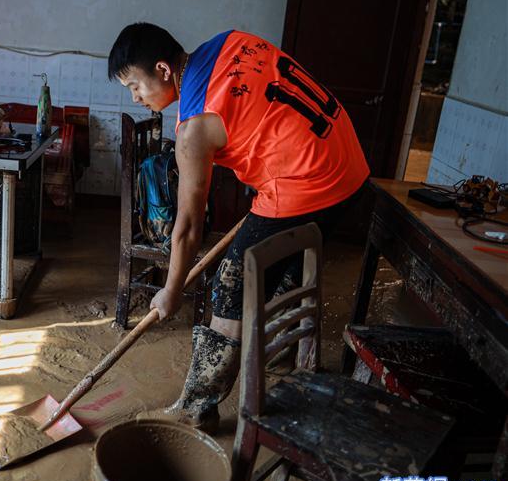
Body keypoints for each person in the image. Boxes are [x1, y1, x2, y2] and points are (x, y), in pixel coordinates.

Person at [108, 23, 369, 432]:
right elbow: (270, 109)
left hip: (306, 183)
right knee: (280, 267)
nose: (136, 97)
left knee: (230, 288)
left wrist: (171, 290)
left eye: (134, 86)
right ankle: (278, 353)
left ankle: (195, 409)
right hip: (347, 163)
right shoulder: (232, 41)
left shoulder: (193, 128)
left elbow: (189, 226)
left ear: (161, 69)